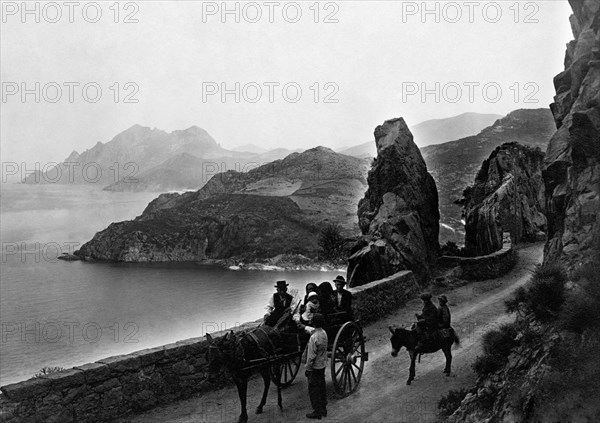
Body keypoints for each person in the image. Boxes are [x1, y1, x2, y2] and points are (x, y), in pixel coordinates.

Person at [305, 313, 328, 419]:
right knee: (321, 386)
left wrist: (308, 369)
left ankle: (317, 411)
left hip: (314, 367)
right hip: (322, 365)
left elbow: (311, 357)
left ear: (313, 323)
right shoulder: (323, 333)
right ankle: (323, 408)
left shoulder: (313, 337)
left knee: (313, 389)